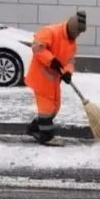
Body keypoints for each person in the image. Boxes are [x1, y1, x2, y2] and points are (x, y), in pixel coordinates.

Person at [25, 10, 86, 146]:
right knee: (46, 109)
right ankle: (46, 137)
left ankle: (34, 128)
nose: (78, 35)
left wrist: (68, 72)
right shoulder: (50, 31)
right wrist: (51, 60)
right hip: (40, 78)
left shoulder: (72, 43)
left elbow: (69, 61)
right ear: (72, 28)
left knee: (55, 107)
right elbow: (37, 47)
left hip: (53, 80)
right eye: (77, 32)